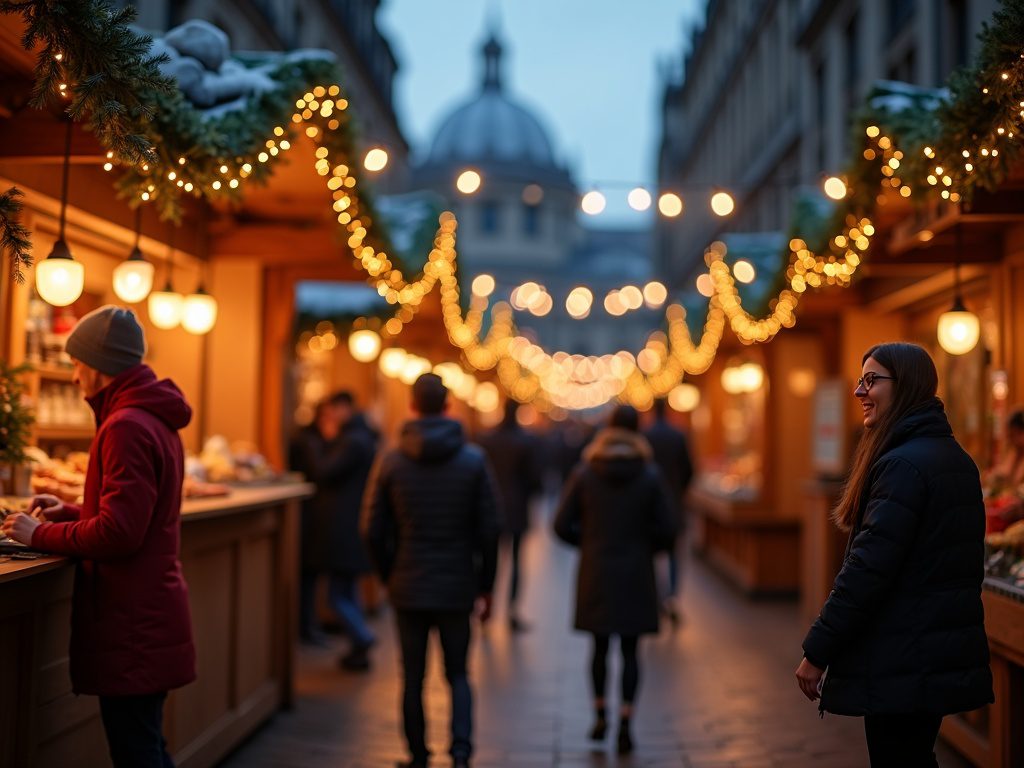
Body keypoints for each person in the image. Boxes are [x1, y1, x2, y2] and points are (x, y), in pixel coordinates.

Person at [2, 305, 195, 768]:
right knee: (148, 745)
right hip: (149, 613)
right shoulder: (151, 418)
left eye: (77, 363)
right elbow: (136, 517)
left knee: (137, 753)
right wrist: (71, 511)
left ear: (98, 365)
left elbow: (119, 534)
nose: (73, 376)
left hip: (132, 623)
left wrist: (40, 533)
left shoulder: (126, 425)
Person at [796, 342, 993, 767]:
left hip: (902, 651)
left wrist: (817, 651)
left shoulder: (902, 465)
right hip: (929, 649)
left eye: (871, 380)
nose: (859, 391)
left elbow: (866, 570)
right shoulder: (954, 458)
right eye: (860, 380)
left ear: (905, 384)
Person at [361, 373, 500, 768]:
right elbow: (490, 530)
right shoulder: (473, 461)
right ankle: (461, 752)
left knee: (413, 676)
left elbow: (371, 528)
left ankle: (418, 755)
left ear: (412, 407)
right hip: (457, 583)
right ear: (448, 407)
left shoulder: (391, 460)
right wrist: (486, 585)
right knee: (458, 673)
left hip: (408, 582)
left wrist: (388, 574)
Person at [553, 404, 676, 756]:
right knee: (631, 650)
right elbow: (669, 529)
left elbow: (560, 525)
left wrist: (588, 543)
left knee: (599, 647)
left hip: (597, 570)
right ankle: (625, 721)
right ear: (637, 431)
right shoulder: (649, 475)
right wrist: (647, 547)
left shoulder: (585, 472)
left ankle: (599, 713)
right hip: (636, 571)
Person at [289, 392, 378, 668]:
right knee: (347, 589)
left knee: (337, 594)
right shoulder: (361, 436)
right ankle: (358, 648)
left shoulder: (352, 441)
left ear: (344, 408)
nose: (328, 417)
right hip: (350, 524)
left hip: (342, 526)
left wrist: (325, 441)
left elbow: (323, 471)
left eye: (332, 411)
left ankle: (362, 637)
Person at [478, 398, 543, 631]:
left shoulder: (487, 440)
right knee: (516, 561)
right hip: (516, 508)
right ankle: (512, 610)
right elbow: (535, 479)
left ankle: (487, 607)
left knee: (490, 560)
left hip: (490, 507)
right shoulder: (526, 441)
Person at [643, 397, 694, 624]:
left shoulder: (645, 435)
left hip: (649, 506)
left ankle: (655, 596)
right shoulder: (678, 435)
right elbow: (689, 469)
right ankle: (672, 596)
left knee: (651, 552)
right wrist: (679, 490)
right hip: (674, 503)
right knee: (674, 553)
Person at [985, 408, 1024, 524]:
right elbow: (1002, 476)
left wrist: (1020, 506)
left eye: (1013, 435)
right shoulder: (1014, 453)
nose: (1010, 440)